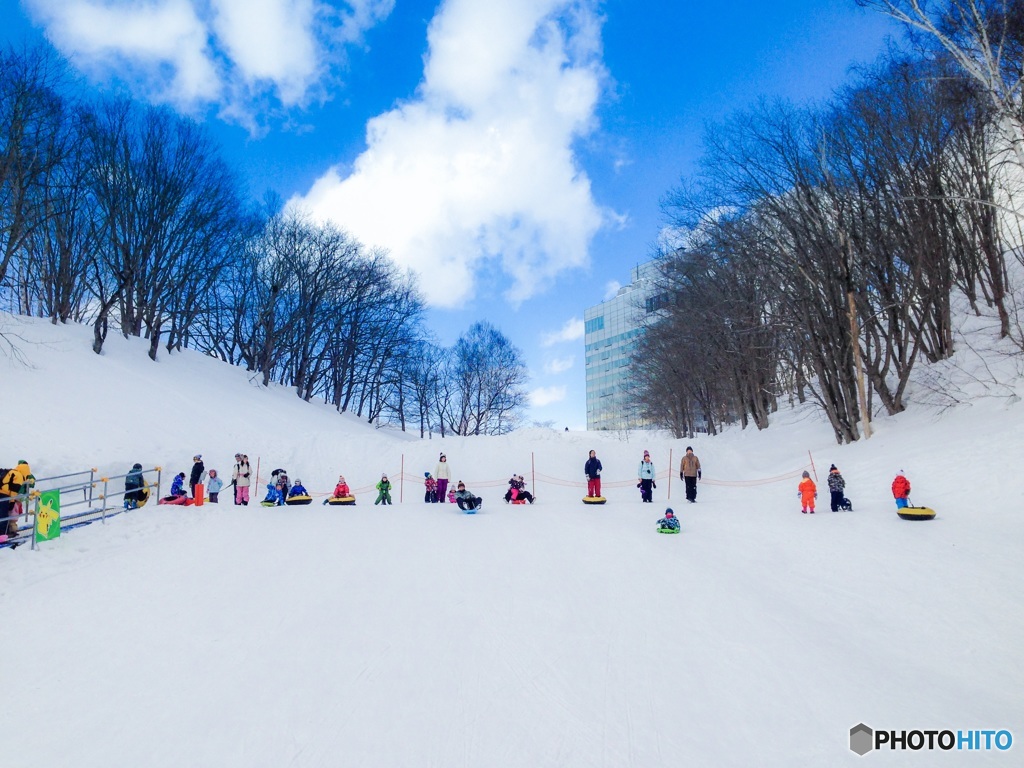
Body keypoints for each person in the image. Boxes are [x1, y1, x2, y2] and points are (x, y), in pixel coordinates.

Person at [1, 460, 33, 539]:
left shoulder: (12, 471)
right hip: (4, 495)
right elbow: (14, 491)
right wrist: (12, 502)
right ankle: (2, 534)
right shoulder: (19, 476)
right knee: (3, 514)